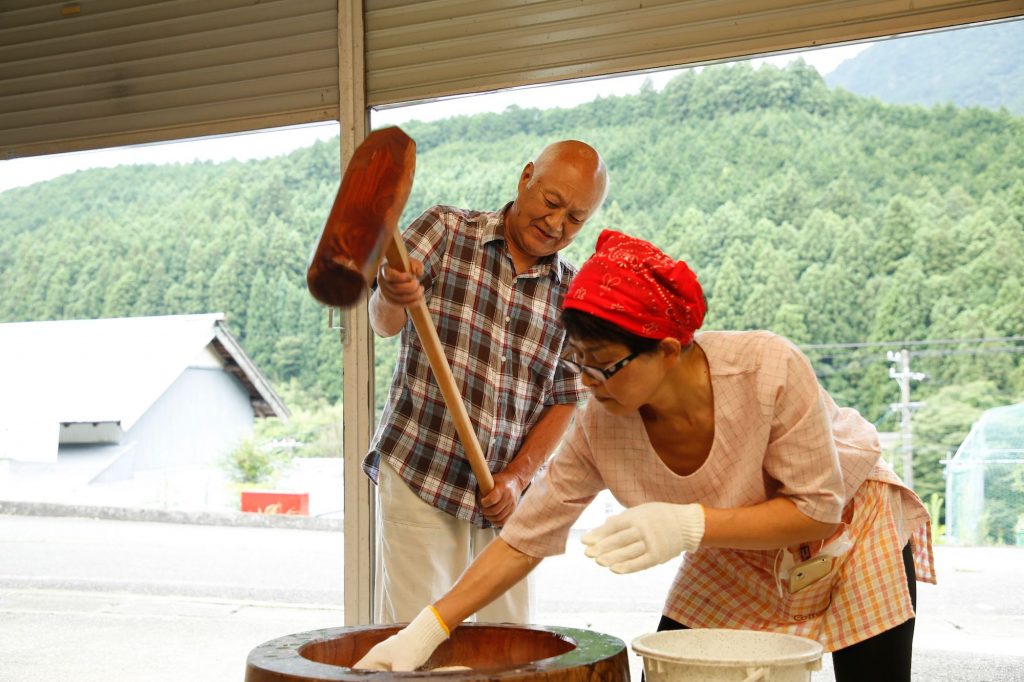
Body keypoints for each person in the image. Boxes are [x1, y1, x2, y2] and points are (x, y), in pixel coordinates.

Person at [355, 229, 936, 682]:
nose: (586, 384)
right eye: (576, 365)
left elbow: (816, 509)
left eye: (602, 366)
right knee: (671, 671)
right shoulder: (599, 426)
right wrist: (432, 625)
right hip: (729, 544)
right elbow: (524, 536)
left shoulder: (767, 370)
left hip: (851, 533)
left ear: (666, 350)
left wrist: (686, 522)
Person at [366, 140, 609, 625]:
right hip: (421, 472)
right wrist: (394, 293)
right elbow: (384, 322)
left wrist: (519, 478)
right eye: (552, 203)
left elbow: (564, 401)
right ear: (526, 178)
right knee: (415, 639)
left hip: (506, 501)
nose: (557, 225)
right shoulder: (447, 230)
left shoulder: (573, 295)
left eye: (576, 219)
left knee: (510, 647)